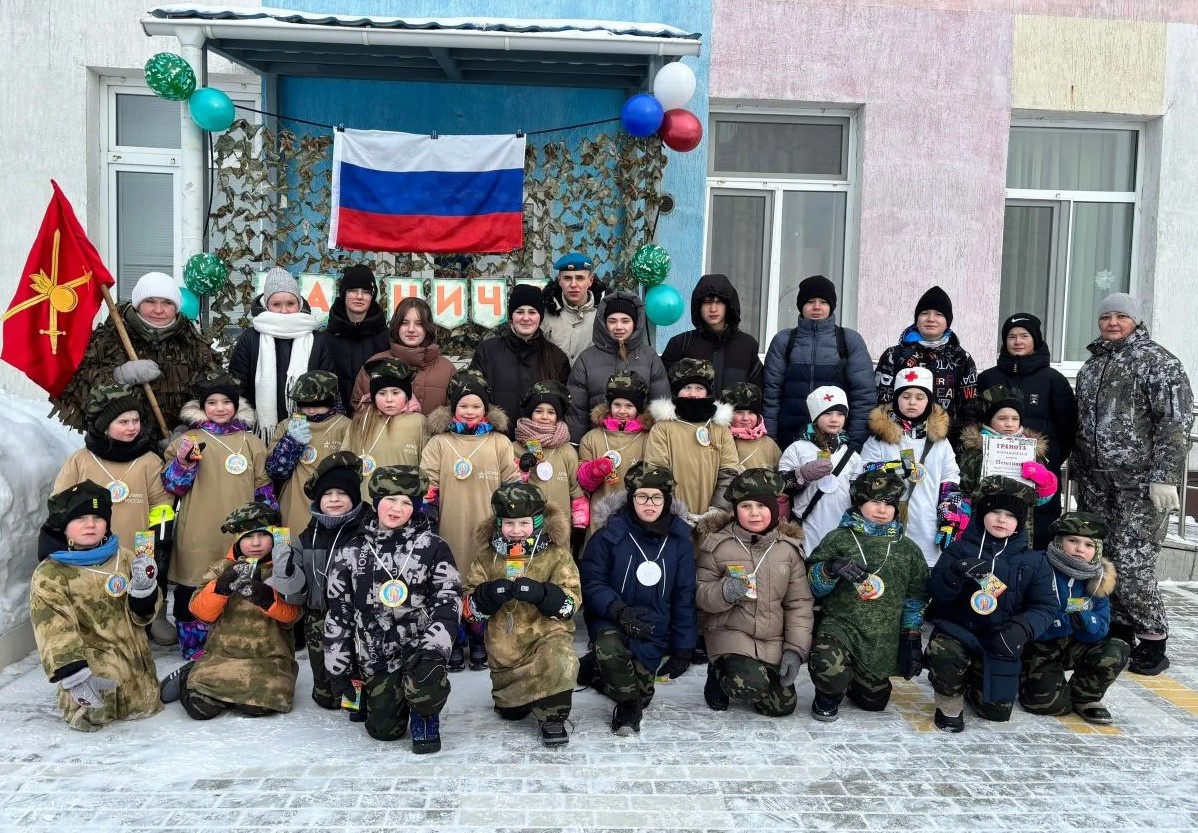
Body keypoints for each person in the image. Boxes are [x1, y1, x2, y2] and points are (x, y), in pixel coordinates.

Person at [1072, 292, 1194, 676]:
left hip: (1140, 487)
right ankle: (1118, 632)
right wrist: (1077, 469)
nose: (1112, 323)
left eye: (1121, 316)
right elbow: (1082, 424)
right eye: (1106, 316)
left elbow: (1176, 424)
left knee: (1132, 563)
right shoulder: (1092, 366)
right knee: (1100, 558)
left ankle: (1154, 639)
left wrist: (1164, 477)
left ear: (1136, 321)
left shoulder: (1158, 362)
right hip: (1096, 482)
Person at [323, 466, 461, 751]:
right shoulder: (352, 550)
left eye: (407, 502)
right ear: (376, 502)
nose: (397, 508)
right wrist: (338, 667)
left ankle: (425, 713)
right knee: (384, 732)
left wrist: (435, 650)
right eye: (390, 499)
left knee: (425, 682)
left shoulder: (433, 546)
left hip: (419, 649)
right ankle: (375, 699)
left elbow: (448, 600)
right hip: (375, 652)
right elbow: (339, 611)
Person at [926, 477, 1057, 732]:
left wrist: (1021, 629)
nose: (1001, 519)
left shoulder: (1035, 561)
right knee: (945, 650)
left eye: (1010, 515)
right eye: (995, 511)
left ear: (1020, 522)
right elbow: (936, 593)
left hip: (1001, 637)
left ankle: (974, 685)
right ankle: (949, 700)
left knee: (996, 713)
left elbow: (1046, 606)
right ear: (982, 514)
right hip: (959, 630)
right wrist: (954, 575)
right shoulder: (959, 549)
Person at [30, 481, 162, 732]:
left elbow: (142, 616)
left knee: (143, 710)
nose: (90, 524)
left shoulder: (125, 557)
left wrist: (145, 592)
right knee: (95, 715)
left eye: (97, 518)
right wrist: (74, 675)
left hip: (136, 668)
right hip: (91, 672)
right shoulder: (50, 575)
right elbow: (53, 629)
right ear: (63, 526)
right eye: (80, 518)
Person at [52, 384, 174, 645]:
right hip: (94, 545)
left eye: (135, 420)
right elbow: (60, 501)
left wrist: (156, 541)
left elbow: (161, 504)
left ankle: (154, 615)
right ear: (104, 426)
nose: (132, 427)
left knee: (143, 579)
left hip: (138, 543)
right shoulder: (82, 460)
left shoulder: (149, 461)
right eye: (123, 422)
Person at [161, 370, 272, 658]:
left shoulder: (251, 442)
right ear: (202, 407)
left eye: (226, 402)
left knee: (237, 583)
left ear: (236, 406)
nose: (220, 408)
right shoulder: (190, 440)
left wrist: (269, 526)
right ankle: (194, 644)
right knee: (194, 583)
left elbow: (264, 490)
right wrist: (183, 464)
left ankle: (234, 639)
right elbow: (173, 486)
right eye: (212, 402)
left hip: (241, 533)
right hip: (198, 529)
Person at [580, 462, 697, 735]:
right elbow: (592, 583)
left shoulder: (680, 542)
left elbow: (684, 595)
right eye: (642, 496)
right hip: (613, 618)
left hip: (654, 626)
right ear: (631, 498)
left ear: (667, 500)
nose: (649, 504)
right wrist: (619, 611)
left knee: (642, 692)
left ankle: (594, 669)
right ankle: (627, 708)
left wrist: (683, 647)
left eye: (657, 497)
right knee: (612, 653)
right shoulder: (608, 536)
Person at [158, 502, 303, 721]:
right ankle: (190, 673)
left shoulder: (284, 569)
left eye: (262, 535)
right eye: (248, 537)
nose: (256, 543)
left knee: (258, 708)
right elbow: (200, 613)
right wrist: (221, 587)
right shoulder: (220, 568)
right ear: (237, 539)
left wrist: (265, 598)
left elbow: (293, 616)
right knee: (200, 708)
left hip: (269, 660)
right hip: (222, 656)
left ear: (274, 536)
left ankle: (229, 688)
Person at [805, 470, 930, 721]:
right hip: (841, 626)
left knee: (874, 702)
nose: (882, 510)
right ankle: (828, 693)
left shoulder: (908, 549)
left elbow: (915, 598)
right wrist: (830, 568)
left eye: (889, 504)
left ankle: (854, 681)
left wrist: (912, 636)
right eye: (875, 501)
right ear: (859, 503)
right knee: (829, 665)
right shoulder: (838, 539)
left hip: (882, 637)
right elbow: (813, 586)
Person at [463, 483, 581, 747]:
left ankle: (553, 718)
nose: (516, 531)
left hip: (547, 639)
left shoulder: (557, 556)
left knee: (561, 659)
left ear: (538, 522)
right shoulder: (486, 558)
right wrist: (486, 595)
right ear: (498, 523)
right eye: (509, 524)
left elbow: (571, 603)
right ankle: (514, 699)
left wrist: (543, 594)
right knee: (511, 713)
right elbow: (468, 612)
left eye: (524, 523)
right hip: (506, 652)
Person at [420, 370, 519, 671]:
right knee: (450, 582)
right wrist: (427, 513)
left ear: (486, 408)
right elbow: (427, 483)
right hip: (449, 525)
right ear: (453, 408)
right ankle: (453, 637)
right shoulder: (439, 443)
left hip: (487, 526)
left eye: (476, 406)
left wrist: (510, 517)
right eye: (463, 405)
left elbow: (511, 482)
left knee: (482, 580)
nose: (470, 411)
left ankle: (478, 637)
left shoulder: (499, 442)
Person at [695, 469, 814, 717]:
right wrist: (724, 591)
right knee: (750, 685)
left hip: (772, 639)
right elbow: (700, 594)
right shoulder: (717, 545)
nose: (754, 513)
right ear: (735, 509)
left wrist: (795, 649)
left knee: (782, 706)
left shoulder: (788, 550)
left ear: (774, 508)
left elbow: (799, 604)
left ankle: (754, 675)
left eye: (761, 505)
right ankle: (718, 671)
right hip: (731, 635)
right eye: (745, 506)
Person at [50, 271, 216, 443]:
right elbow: (77, 388)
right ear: (138, 304)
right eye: (150, 301)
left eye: (167, 303)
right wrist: (119, 376)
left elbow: (215, 394)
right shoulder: (109, 337)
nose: (159, 310)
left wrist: (189, 428)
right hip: (120, 448)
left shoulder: (193, 342)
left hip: (179, 447)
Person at [1019, 512, 1130, 725]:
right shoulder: (1037, 566)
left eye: (1089, 545)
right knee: (1049, 706)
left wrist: (1087, 622)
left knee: (1116, 649)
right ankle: (1033, 680)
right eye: (1073, 541)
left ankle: (1085, 697)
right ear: (1059, 542)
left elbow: (1101, 626)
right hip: (1038, 647)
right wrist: (1063, 622)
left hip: (1073, 645)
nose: (1080, 549)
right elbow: (1021, 615)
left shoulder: (1099, 578)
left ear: (1097, 550)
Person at [977, 313, 1077, 547]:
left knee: (1039, 532)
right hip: (995, 472)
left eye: (1024, 336)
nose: (1017, 341)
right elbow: (976, 421)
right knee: (993, 526)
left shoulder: (1054, 380)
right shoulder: (988, 378)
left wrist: (1049, 458)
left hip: (1040, 474)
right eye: (1011, 336)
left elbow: (1068, 428)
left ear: (1036, 340)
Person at [294, 451, 374, 710]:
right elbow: (295, 591)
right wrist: (284, 570)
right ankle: (329, 689)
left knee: (355, 690)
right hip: (319, 617)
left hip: (357, 618)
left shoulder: (367, 531)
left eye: (342, 493)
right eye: (327, 494)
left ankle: (360, 696)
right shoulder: (308, 536)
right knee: (326, 698)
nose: (334, 499)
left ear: (355, 497)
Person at [861, 367, 962, 566]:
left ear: (929, 401)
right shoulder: (879, 439)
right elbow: (864, 473)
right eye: (905, 396)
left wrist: (949, 520)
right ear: (896, 399)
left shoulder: (941, 443)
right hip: (885, 523)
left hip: (927, 524)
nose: (912, 402)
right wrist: (894, 468)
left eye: (919, 397)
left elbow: (950, 480)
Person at [762, 275, 875, 450]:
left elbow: (863, 396)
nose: (817, 307)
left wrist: (854, 444)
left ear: (831, 306)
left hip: (837, 444)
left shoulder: (848, 340)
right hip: (789, 441)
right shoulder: (784, 341)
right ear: (801, 305)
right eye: (810, 302)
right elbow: (771, 396)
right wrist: (771, 442)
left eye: (823, 302)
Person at [228, 266, 334, 440]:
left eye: (290, 304)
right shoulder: (251, 337)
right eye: (276, 304)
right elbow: (238, 385)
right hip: (260, 430)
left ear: (299, 304)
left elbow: (327, 385)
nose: (284, 310)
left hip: (308, 428)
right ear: (266, 305)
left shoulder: (317, 339)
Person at [874, 285, 978, 444]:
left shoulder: (961, 358)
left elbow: (969, 408)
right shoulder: (894, 355)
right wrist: (891, 438)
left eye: (939, 314)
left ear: (947, 322)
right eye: (924, 313)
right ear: (917, 319)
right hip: (899, 442)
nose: (931, 319)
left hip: (945, 442)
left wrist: (959, 446)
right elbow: (882, 401)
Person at [645, 359, 740, 527]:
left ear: (707, 392)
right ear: (677, 391)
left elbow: (729, 472)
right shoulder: (662, 428)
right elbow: (657, 472)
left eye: (699, 388)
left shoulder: (720, 429)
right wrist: (674, 511)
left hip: (714, 522)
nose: (693, 394)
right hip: (674, 519)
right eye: (687, 387)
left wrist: (717, 511)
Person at [566, 291, 671, 443]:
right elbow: (576, 412)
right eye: (612, 321)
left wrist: (660, 445)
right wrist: (578, 445)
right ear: (604, 323)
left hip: (641, 444)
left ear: (635, 323)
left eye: (625, 321)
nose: (619, 327)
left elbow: (661, 406)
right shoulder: (586, 359)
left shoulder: (649, 357)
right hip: (599, 444)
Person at [470, 284, 570, 438]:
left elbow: (563, 408)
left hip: (539, 444)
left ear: (540, 317)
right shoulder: (488, 351)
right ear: (512, 316)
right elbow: (473, 396)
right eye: (520, 312)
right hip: (494, 441)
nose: (526, 318)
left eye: (532, 312)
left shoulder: (556, 358)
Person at [957, 385, 1058, 538]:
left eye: (1015, 418)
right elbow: (963, 489)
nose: (1009, 424)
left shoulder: (1031, 452)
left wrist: (1046, 483)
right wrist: (963, 515)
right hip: (979, 525)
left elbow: (1038, 500)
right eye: (1002, 418)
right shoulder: (975, 451)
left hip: (1019, 527)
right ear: (989, 420)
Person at [264, 370, 352, 533]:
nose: (310, 410)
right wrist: (291, 441)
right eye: (304, 404)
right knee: (286, 546)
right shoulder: (288, 425)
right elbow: (275, 471)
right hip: (292, 504)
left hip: (332, 504)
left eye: (317, 404)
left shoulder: (346, 426)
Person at [779, 386, 864, 554]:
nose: (834, 419)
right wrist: (802, 475)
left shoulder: (852, 455)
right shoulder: (798, 448)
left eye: (840, 414)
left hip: (841, 527)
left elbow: (858, 496)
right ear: (815, 417)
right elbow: (780, 488)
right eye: (827, 413)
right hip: (806, 525)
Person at [577, 371, 653, 542]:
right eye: (617, 404)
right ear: (609, 406)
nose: (622, 411)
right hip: (600, 514)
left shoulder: (648, 438)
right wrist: (593, 471)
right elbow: (583, 484)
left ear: (639, 408)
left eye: (629, 406)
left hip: (636, 514)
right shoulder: (592, 438)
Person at [352, 297, 456, 416]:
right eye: (404, 323)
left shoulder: (447, 369)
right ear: (396, 326)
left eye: (419, 324)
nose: (411, 329)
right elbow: (358, 407)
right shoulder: (376, 364)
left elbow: (458, 412)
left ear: (428, 328)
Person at [660, 273, 763, 393]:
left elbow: (757, 394)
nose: (713, 309)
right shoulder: (680, 344)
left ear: (728, 305)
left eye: (719, 302)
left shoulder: (747, 346)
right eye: (706, 302)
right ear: (698, 307)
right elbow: (664, 391)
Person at [512, 381, 587, 531]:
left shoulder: (567, 450)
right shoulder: (514, 448)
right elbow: (509, 485)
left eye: (551, 412)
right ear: (530, 413)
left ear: (558, 416)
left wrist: (580, 521)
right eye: (538, 411)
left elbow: (575, 488)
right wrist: (522, 470)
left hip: (559, 525)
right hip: (523, 526)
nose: (545, 417)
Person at [344, 357, 427, 493]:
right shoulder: (361, 420)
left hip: (403, 500)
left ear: (407, 394)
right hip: (365, 499)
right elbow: (346, 459)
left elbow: (428, 467)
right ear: (373, 395)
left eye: (395, 393)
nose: (389, 399)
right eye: (382, 393)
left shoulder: (419, 422)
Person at [323, 264, 392, 412]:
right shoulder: (325, 339)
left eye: (366, 292)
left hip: (375, 416)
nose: (359, 296)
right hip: (333, 417)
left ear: (372, 296)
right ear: (344, 293)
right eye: (353, 290)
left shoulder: (386, 338)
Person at [541, 252, 607, 364]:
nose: (573, 284)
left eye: (580, 278)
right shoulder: (544, 313)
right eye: (567, 278)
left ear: (590, 281)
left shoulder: (604, 314)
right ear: (559, 281)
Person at [722, 383, 782, 471]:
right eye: (739, 412)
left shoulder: (769, 444)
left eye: (751, 413)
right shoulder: (722, 440)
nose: (745, 418)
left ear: (757, 416)